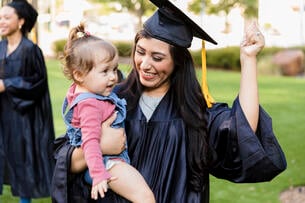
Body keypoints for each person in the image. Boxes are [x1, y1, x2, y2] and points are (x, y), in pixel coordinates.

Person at [51, 0, 287, 202]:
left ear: (178, 63)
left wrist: (248, 60)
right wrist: (99, 146)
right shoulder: (113, 99)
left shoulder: (195, 112)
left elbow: (242, 129)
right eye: (140, 52)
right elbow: (63, 160)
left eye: (157, 57)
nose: (144, 64)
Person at [58, 23, 155, 202]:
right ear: (79, 75)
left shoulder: (81, 90)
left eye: (114, 69)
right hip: (107, 164)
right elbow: (90, 142)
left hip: (106, 163)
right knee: (145, 197)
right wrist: (98, 175)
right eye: (105, 71)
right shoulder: (90, 105)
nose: (113, 77)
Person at [0, 0, 55, 203]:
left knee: (24, 160)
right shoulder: (1, 47)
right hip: (3, 114)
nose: (1, 22)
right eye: (0, 18)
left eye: (7, 17)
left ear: (21, 21)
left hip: (24, 118)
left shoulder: (31, 50)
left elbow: (37, 82)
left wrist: (8, 84)